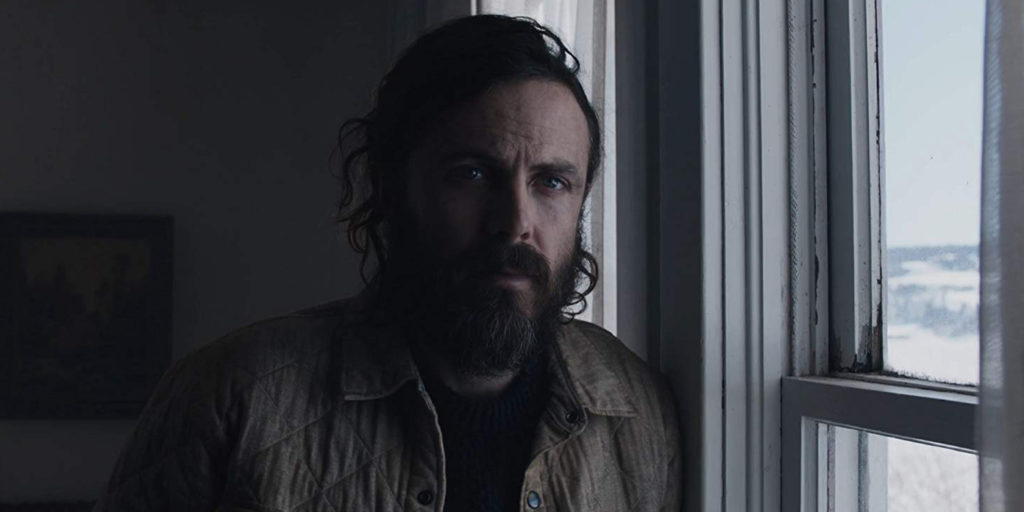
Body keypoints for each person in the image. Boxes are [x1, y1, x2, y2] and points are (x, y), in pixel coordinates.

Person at [94, 14, 681, 512]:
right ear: (392, 186)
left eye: (551, 182)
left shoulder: (635, 408)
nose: (514, 223)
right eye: (473, 173)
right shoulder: (232, 396)